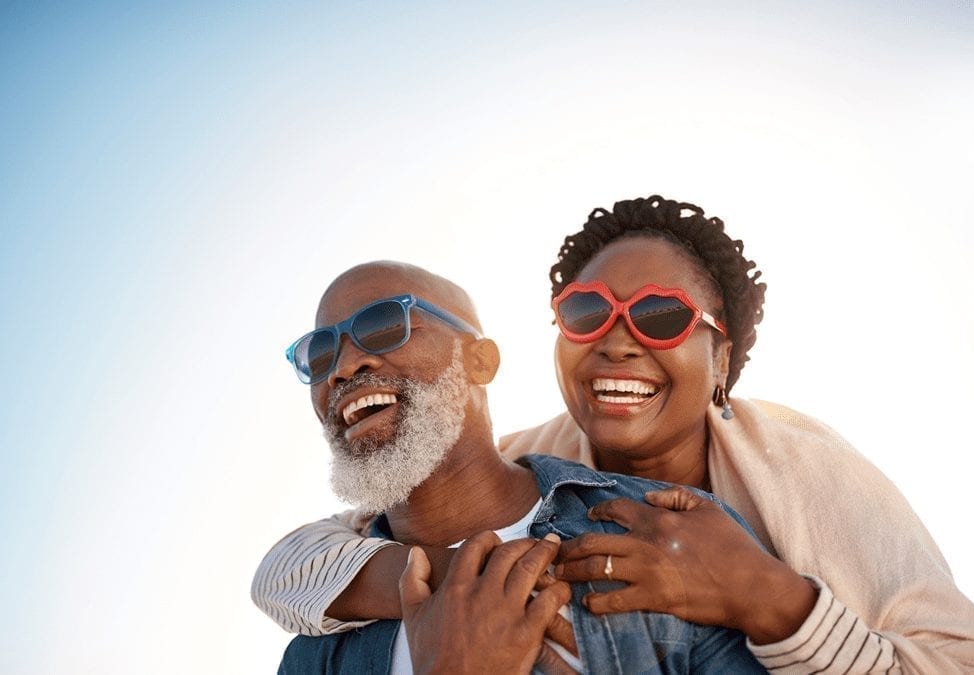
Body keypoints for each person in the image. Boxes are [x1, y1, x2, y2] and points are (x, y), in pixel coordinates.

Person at [254, 196, 974, 673]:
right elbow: (299, 563)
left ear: (720, 359)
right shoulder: (519, 471)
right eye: (586, 312)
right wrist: (448, 586)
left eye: (660, 315)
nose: (618, 341)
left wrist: (768, 597)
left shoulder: (806, 476)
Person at [274, 260, 766, 673]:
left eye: (383, 326)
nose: (343, 367)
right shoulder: (315, 652)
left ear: (480, 361)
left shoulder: (667, 533)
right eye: (319, 355)